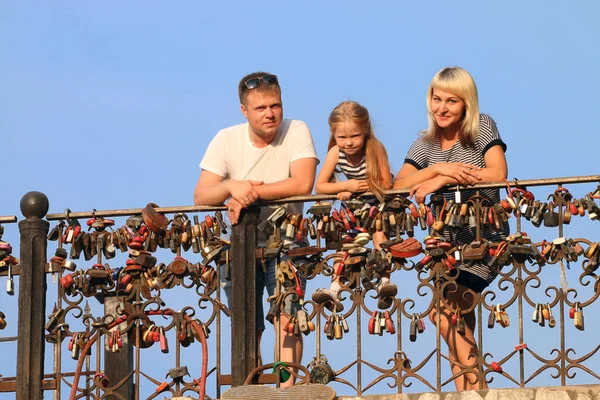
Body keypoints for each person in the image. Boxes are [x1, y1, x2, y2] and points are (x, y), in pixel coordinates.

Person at [193, 72, 319, 386]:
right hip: (239, 245)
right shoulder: (226, 138)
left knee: (286, 317)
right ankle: (251, 388)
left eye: (275, 105)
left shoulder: (296, 130)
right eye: (261, 108)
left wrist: (250, 193)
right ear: (244, 110)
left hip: (286, 241)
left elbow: (302, 183)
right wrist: (232, 186)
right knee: (248, 324)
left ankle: (287, 389)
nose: (270, 113)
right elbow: (201, 195)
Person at [393, 67, 509, 391]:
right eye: (436, 98)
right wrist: (439, 168)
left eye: (451, 101)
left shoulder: (481, 126)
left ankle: (476, 390)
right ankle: (466, 392)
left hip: (482, 242)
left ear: (466, 104)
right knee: (460, 318)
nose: (441, 108)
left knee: (443, 312)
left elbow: (498, 173)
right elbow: (397, 184)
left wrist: (445, 179)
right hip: (445, 252)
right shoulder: (426, 144)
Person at [312, 100, 394, 311]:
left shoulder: (375, 148)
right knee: (344, 246)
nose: (348, 142)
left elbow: (387, 184)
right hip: (352, 209)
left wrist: (363, 188)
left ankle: (384, 283)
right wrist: (346, 186)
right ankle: (335, 289)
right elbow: (320, 186)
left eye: (354, 136)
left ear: (365, 131)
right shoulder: (335, 153)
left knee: (379, 236)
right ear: (334, 135)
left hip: (375, 207)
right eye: (342, 137)